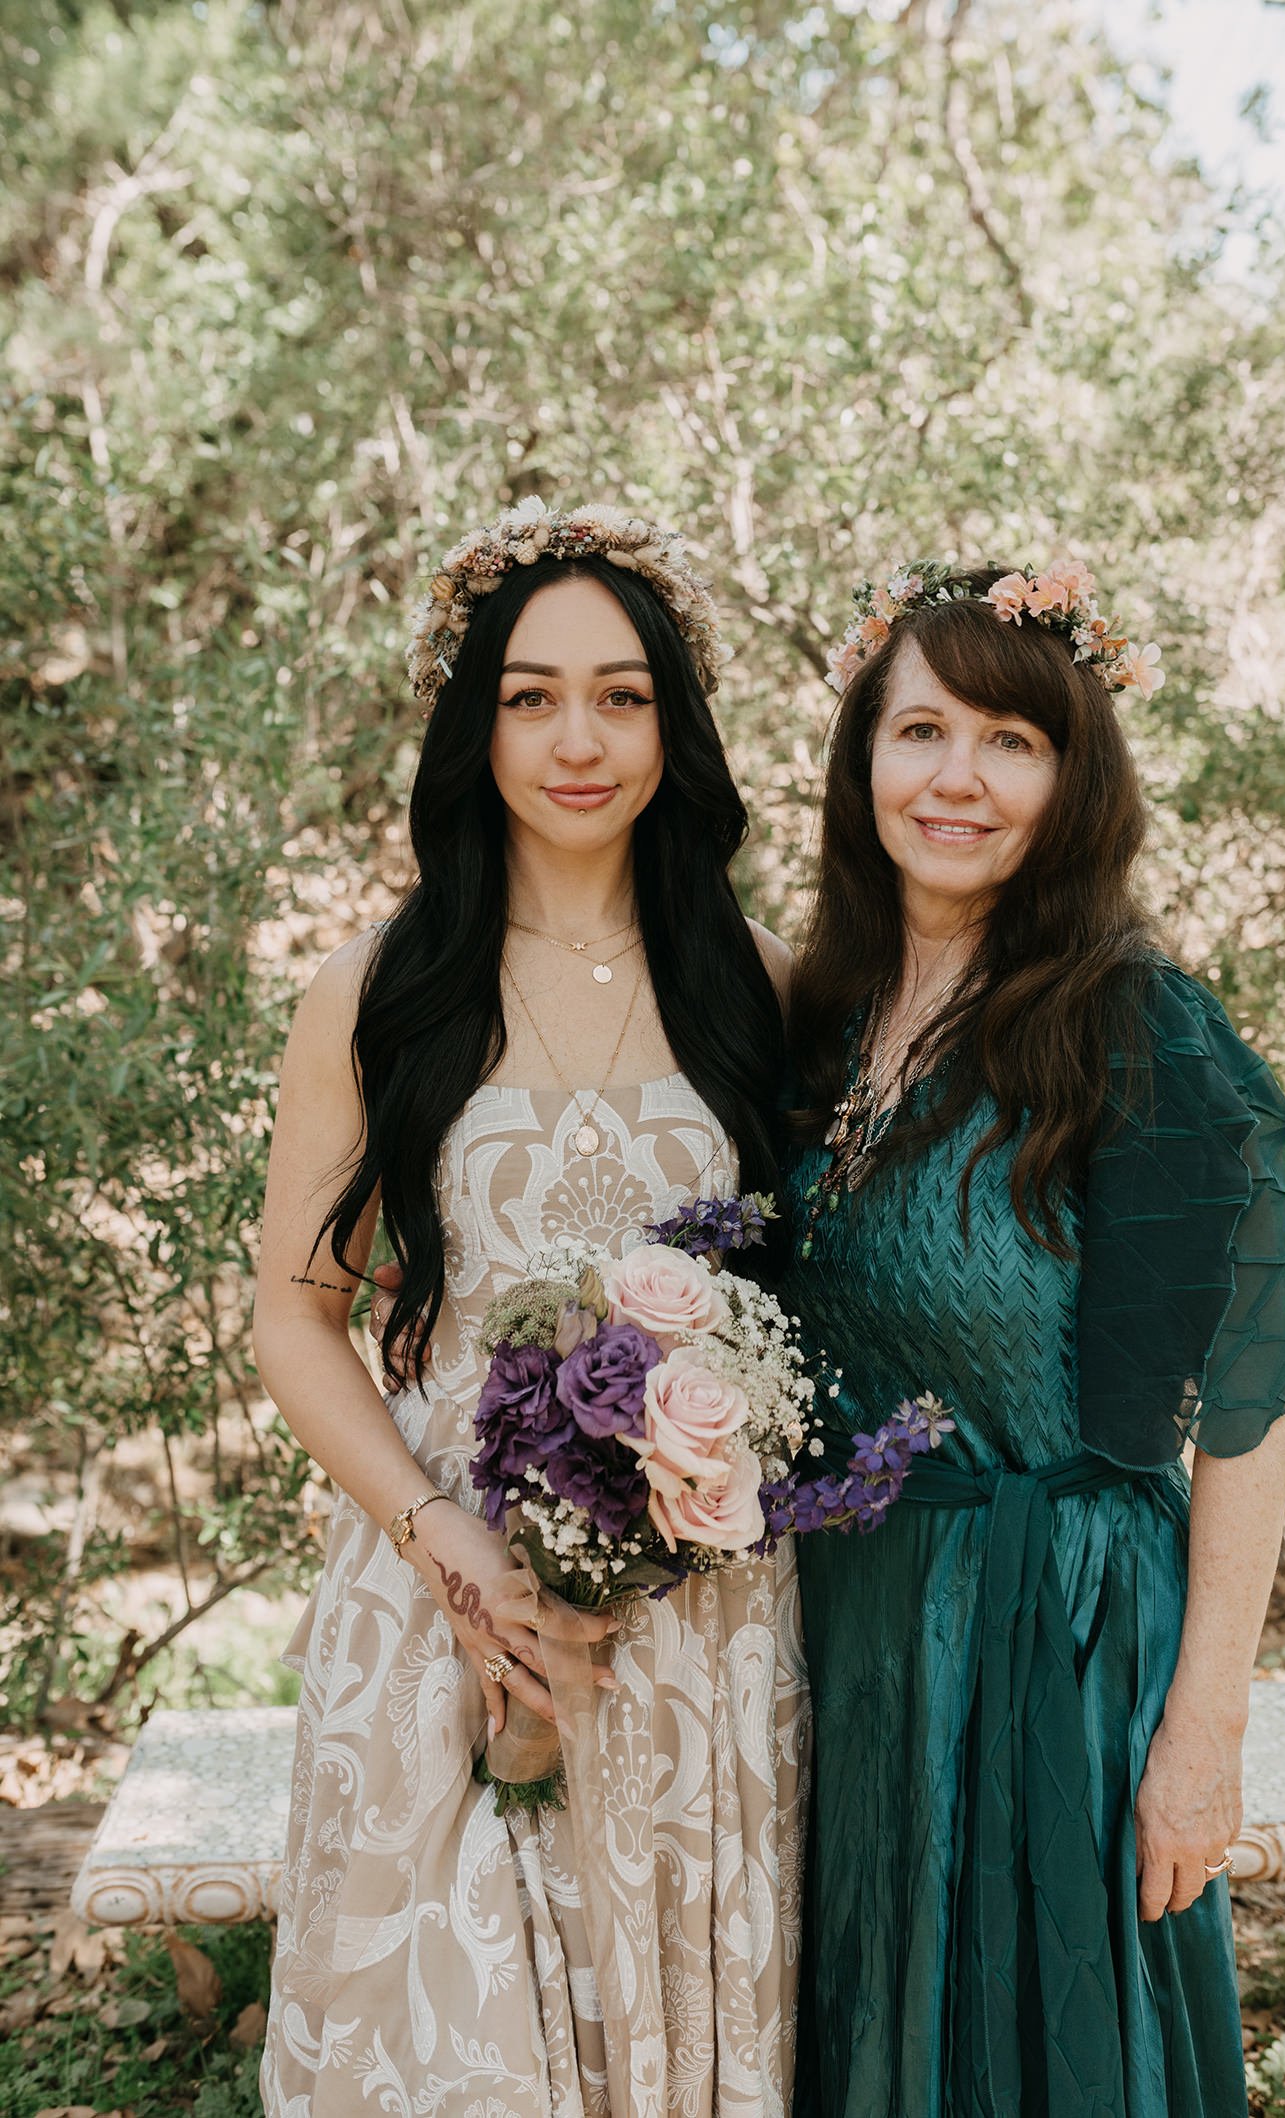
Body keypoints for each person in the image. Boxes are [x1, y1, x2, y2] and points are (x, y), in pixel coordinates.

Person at [253, 500, 806, 2118]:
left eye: (624, 695)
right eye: (532, 693)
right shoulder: (380, 987)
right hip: (447, 1606)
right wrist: (455, 1548)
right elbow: (297, 1317)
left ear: (673, 722)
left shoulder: (757, 981)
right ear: (473, 720)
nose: (581, 738)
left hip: (704, 1626)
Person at [781, 561, 1285, 2118]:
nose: (957, 777)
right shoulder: (815, 1012)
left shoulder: (1139, 1028)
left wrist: (1200, 1727)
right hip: (844, 1628)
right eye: (920, 728)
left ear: (1072, 779)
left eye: (1010, 739)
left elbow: (1249, 1408)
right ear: (861, 757)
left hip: (1064, 1645)